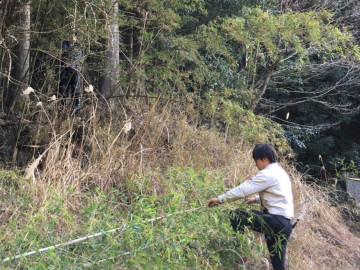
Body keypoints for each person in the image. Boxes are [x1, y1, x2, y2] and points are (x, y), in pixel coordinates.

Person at [208, 144, 294, 270]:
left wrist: (220, 200)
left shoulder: (267, 174)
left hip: (275, 221)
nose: (256, 165)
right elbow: (279, 195)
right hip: (285, 225)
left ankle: (241, 253)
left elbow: (244, 189)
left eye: (256, 161)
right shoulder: (281, 173)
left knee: (237, 214)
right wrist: (256, 199)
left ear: (264, 159)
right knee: (278, 265)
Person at [59, 34, 82, 110]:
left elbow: (78, 57)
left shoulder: (78, 47)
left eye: (74, 37)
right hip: (65, 69)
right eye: (71, 37)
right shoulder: (64, 45)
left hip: (74, 69)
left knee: (75, 87)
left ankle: (77, 105)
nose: (73, 39)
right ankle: (63, 104)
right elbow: (64, 56)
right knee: (63, 87)